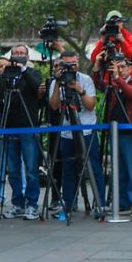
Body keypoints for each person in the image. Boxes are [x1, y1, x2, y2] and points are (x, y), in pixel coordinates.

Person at [47, 48, 104, 223]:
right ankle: (69, 204)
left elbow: (91, 106)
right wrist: (57, 83)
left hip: (86, 129)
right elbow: (54, 106)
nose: (72, 67)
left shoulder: (85, 80)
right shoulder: (57, 81)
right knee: (68, 170)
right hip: (66, 132)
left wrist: (80, 90)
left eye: (74, 63)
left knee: (94, 168)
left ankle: (99, 204)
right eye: (68, 64)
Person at [0, 43, 43, 220]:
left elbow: (35, 87)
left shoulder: (32, 73)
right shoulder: (6, 75)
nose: (18, 56)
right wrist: (8, 77)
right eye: (15, 53)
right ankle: (17, 202)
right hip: (10, 126)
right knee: (13, 169)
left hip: (28, 126)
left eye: (21, 53)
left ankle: (32, 204)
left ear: (27, 56)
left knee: (31, 168)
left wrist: (23, 70)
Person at [102, 52, 132, 216]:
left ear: (129, 68)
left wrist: (118, 79)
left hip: (130, 133)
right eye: (117, 67)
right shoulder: (114, 85)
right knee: (118, 171)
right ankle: (122, 203)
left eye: (123, 67)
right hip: (115, 132)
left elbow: (131, 93)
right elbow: (101, 86)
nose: (120, 70)